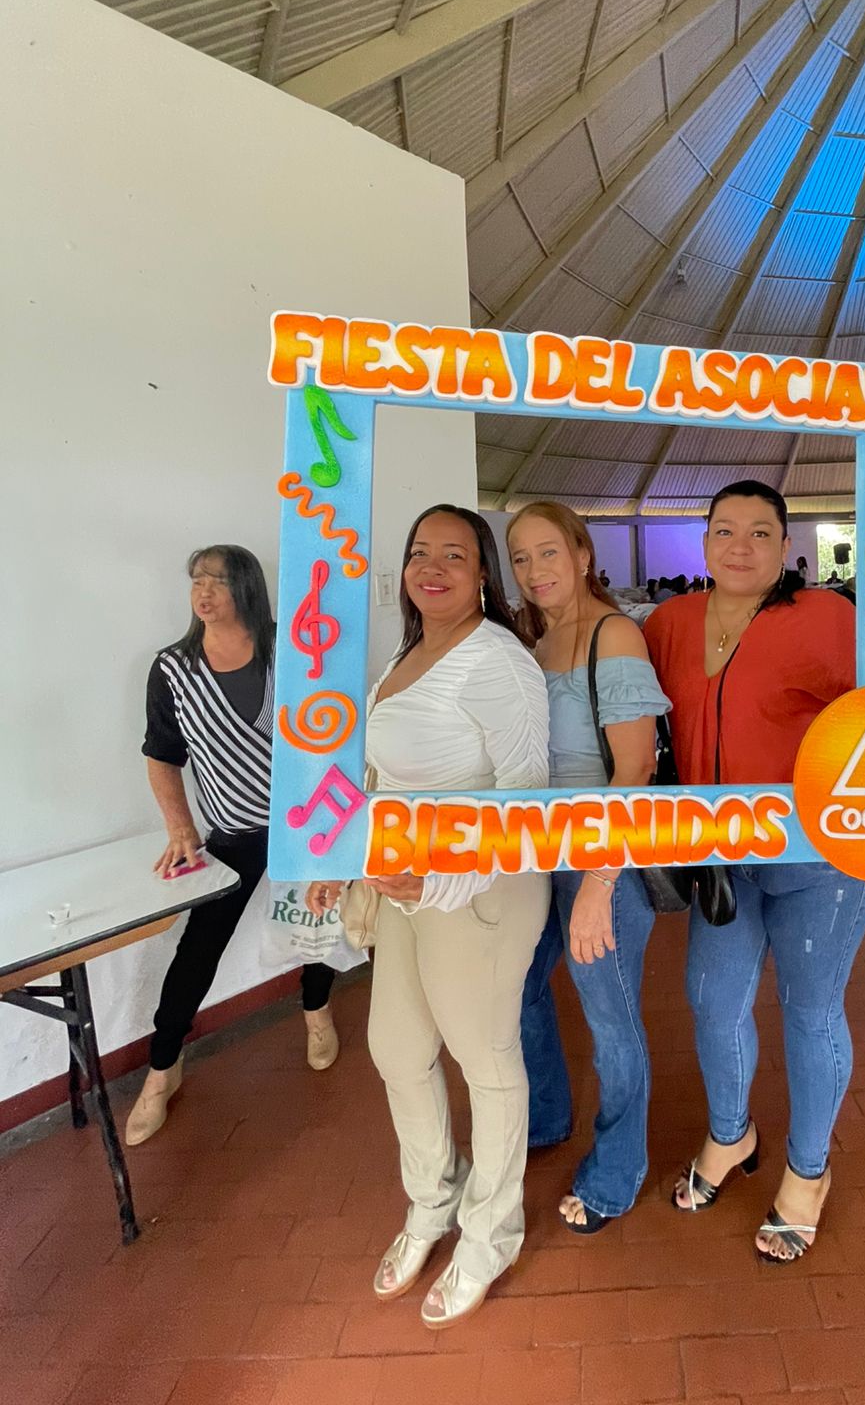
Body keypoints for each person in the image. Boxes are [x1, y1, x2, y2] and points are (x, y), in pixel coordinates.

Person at [643, 481, 865, 1265]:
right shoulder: (668, 623)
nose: (740, 546)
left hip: (822, 858)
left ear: (786, 547)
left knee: (810, 1011)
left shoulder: (824, 617)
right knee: (713, 1002)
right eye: (724, 530)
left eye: (760, 532)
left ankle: (808, 1172)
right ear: (704, 544)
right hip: (722, 859)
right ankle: (730, 1135)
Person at [306, 506, 550, 1329]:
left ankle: (491, 1233)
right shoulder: (404, 655)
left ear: (483, 573)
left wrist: (441, 882)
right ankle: (434, 1200)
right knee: (397, 1050)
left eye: (454, 553)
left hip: (480, 893)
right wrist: (342, 858)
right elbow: (378, 775)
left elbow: (528, 806)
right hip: (402, 888)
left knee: (486, 1060)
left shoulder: (499, 662)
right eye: (420, 553)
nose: (432, 567)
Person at [127, 547, 338, 1147]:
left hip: (304, 824)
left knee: (315, 922)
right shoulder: (173, 669)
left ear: (247, 587)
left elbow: (333, 729)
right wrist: (180, 827)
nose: (204, 591)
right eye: (196, 580)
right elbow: (162, 756)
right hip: (233, 831)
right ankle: (163, 1067)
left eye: (217, 580)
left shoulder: (291, 648)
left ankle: (317, 1012)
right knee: (199, 947)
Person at [508, 501, 669, 1233]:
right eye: (520, 557)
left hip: (601, 862)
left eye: (548, 552)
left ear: (582, 554)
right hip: (538, 857)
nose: (534, 570)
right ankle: (547, 1115)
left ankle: (615, 1173)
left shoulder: (615, 634)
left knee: (611, 1020)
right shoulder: (535, 644)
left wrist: (599, 885)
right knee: (519, 986)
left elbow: (634, 768)